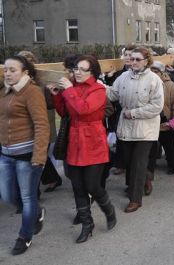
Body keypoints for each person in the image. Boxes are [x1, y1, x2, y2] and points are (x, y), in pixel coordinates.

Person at [50, 55, 117, 243]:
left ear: (92, 72)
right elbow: (65, 112)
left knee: (93, 186)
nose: (77, 72)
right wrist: (57, 94)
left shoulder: (97, 89)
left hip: (93, 140)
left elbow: (83, 109)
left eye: (82, 69)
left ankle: (109, 210)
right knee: (78, 186)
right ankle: (87, 225)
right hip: (74, 141)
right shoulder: (72, 87)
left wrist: (69, 90)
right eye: (76, 68)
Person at [0, 55, 49, 255]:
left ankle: (24, 236)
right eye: (6, 70)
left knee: (27, 197)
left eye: (13, 70)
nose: (8, 73)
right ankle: (37, 213)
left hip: (27, 156)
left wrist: (39, 157)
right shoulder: (3, 91)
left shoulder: (32, 92)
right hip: (6, 154)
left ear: (25, 72)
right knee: (9, 196)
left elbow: (41, 125)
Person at [107, 47, 163, 213]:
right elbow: (112, 94)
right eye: (132, 59)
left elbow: (156, 107)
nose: (134, 62)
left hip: (146, 128)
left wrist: (134, 113)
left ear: (146, 61)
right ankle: (143, 180)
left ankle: (135, 199)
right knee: (128, 161)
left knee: (138, 162)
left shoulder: (154, 79)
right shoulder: (124, 77)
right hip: (126, 126)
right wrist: (95, 84)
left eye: (138, 59)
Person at [17, 50, 63, 194]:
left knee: (37, 154)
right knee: (35, 155)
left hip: (42, 120)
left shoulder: (42, 79)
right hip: (26, 123)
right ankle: (52, 179)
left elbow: (50, 103)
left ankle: (33, 191)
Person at [103, 46, 135, 176]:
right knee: (120, 139)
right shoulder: (118, 74)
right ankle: (121, 164)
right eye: (126, 55)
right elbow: (112, 92)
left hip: (132, 111)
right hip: (118, 111)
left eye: (130, 55)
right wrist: (109, 78)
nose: (127, 57)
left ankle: (132, 167)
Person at [147, 61, 174, 179]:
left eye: (156, 71)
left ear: (162, 72)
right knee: (150, 147)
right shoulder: (147, 83)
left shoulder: (170, 85)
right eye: (152, 71)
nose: (154, 74)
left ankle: (172, 165)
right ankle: (150, 168)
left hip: (165, 120)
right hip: (151, 120)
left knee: (169, 146)